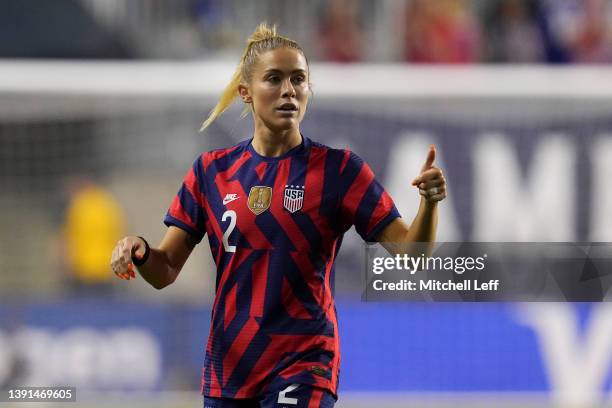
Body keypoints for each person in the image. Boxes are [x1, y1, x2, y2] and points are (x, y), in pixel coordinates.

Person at [110, 23, 446, 408]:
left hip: (305, 360)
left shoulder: (339, 170)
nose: (289, 90)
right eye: (274, 79)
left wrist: (430, 203)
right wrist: (140, 249)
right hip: (231, 367)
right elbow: (165, 269)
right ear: (245, 93)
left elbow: (412, 253)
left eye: (299, 79)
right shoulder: (212, 171)